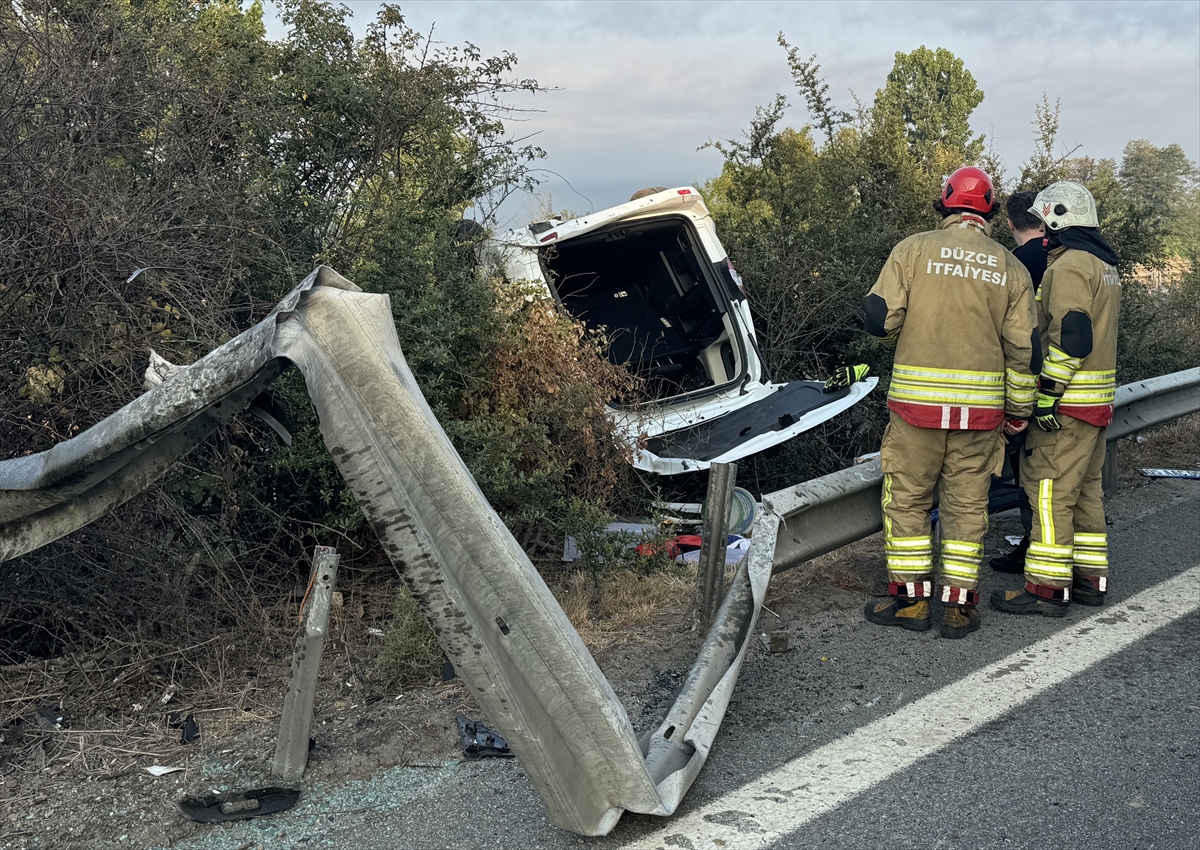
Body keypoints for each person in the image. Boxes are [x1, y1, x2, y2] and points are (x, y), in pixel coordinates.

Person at [861, 166, 1038, 639]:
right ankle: (959, 608)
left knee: (908, 503)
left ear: (945, 203)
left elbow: (881, 322)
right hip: (981, 418)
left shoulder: (912, 251)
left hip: (916, 414)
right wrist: (1019, 414)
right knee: (966, 506)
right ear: (990, 211)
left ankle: (912, 603)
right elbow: (1026, 352)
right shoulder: (1011, 266)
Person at [991, 181, 1120, 616]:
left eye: (1047, 222)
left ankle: (1046, 590)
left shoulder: (1067, 268)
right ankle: (1089, 581)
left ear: (1059, 220)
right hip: (1096, 403)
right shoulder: (1103, 266)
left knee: (1046, 491)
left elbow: (1073, 336)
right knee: (1084, 493)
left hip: (1066, 405)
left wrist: (1046, 395)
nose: (1043, 231)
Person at [989, 190, 1049, 573]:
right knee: (1053, 478)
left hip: (1026, 382)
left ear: (1009, 224)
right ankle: (1055, 546)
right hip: (1068, 382)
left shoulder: (1011, 267)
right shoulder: (1065, 258)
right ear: (1043, 221)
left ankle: (1034, 549)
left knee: (1029, 475)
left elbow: (1010, 335)